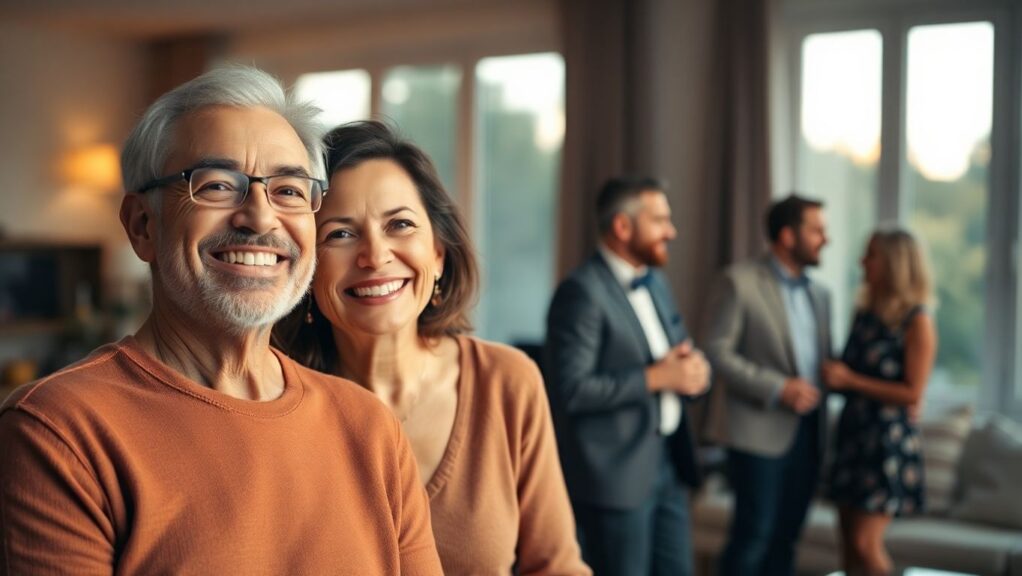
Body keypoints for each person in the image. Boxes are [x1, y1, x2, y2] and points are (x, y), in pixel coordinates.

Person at [0, 67, 443, 575]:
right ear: (142, 226)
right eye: (215, 185)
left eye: (290, 191)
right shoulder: (59, 432)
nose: (259, 217)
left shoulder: (369, 429)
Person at [274, 120, 589, 576]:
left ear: (439, 253)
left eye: (400, 224)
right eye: (340, 233)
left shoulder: (507, 382)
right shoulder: (271, 404)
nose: (375, 255)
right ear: (308, 267)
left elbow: (557, 566)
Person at [543, 176, 710, 576]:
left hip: (668, 464)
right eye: (659, 220)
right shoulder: (581, 292)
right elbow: (570, 390)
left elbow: (675, 351)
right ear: (622, 227)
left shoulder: (656, 283)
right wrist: (656, 378)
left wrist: (695, 370)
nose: (671, 231)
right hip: (615, 477)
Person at [703, 194, 832, 576]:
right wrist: (778, 388)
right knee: (752, 538)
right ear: (788, 236)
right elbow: (716, 352)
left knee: (787, 541)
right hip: (756, 433)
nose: (826, 239)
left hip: (810, 434)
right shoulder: (739, 281)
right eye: (817, 230)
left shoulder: (821, 295)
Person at [823, 229, 936, 576]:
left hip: (885, 443)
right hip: (854, 435)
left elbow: (912, 393)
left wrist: (850, 380)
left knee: (865, 544)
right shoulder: (866, 315)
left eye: (871, 255)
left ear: (893, 264)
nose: (863, 262)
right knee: (847, 545)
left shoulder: (917, 321)